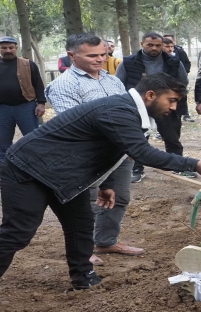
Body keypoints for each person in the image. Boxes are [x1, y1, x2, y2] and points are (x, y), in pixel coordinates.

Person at [0, 73, 201, 290]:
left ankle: (84, 278)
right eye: (171, 100)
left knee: (80, 226)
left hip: (64, 175)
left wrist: (106, 185)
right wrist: (195, 164)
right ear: (151, 95)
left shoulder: (127, 111)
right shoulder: (118, 111)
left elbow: (109, 149)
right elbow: (142, 153)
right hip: (28, 170)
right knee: (18, 232)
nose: (174, 108)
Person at [45, 33, 142, 266]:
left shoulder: (112, 80)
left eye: (103, 54)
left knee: (119, 197)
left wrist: (130, 141)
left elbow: (127, 112)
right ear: (71, 55)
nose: (100, 59)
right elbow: (76, 126)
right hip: (89, 156)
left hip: (120, 153)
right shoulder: (63, 85)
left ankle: (106, 240)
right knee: (86, 202)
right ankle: (83, 248)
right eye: (92, 56)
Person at [116, 32, 190, 183]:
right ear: (142, 44)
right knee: (138, 138)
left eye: (158, 45)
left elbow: (183, 81)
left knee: (172, 137)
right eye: (150, 45)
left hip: (166, 106)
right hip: (138, 106)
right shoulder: (128, 62)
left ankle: (178, 165)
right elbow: (118, 84)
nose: (154, 48)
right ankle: (137, 169)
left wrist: (171, 97)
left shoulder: (174, 62)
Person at [0, 36, 45, 164]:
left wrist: (41, 103)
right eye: (4, 48)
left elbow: (38, 84)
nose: (7, 50)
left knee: (32, 138)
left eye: (10, 48)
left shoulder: (28, 64)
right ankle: (5, 170)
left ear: (16, 48)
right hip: (2, 109)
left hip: (26, 107)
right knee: (2, 142)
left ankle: (36, 165)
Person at [163, 34, 194, 123]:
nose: (169, 48)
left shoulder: (179, 52)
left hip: (177, 85)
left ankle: (184, 115)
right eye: (167, 46)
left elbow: (186, 63)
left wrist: (184, 72)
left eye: (171, 46)